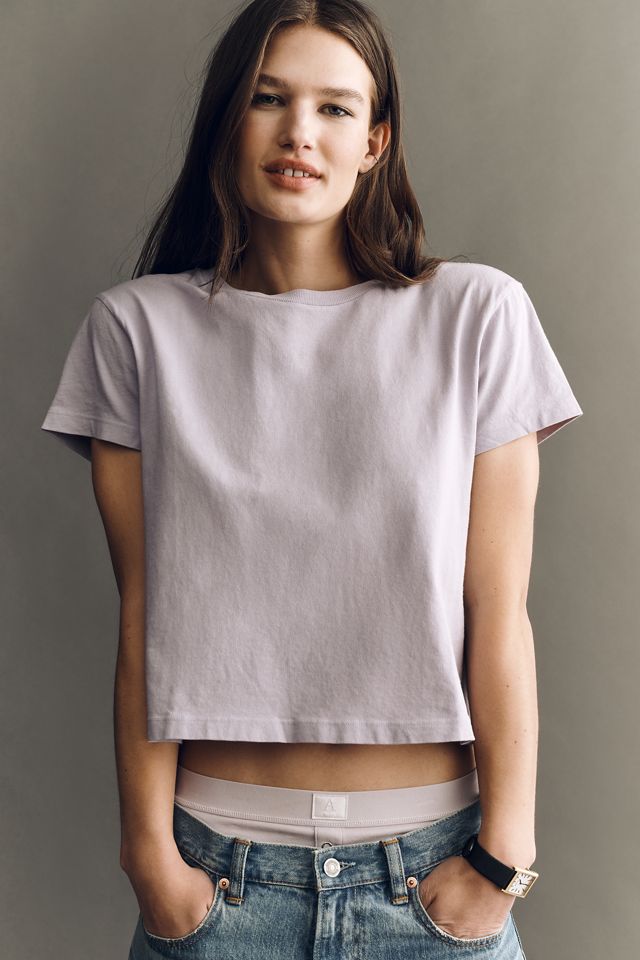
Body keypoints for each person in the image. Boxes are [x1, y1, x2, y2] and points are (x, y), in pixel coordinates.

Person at [40, 1, 583, 956]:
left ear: (375, 141)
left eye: (336, 108)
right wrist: (149, 859)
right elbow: (145, 614)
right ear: (228, 120)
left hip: (433, 881)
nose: (299, 132)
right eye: (268, 98)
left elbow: (498, 612)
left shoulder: (478, 317)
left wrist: (504, 857)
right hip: (218, 882)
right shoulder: (137, 332)